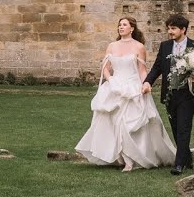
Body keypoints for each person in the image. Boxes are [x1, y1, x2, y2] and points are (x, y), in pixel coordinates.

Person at [75, 17, 177, 171]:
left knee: (128, 123)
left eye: (124, 25)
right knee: (113, 122)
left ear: (132, 28)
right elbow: (105, 68)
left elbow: (142, 70)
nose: (121, 27)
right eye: (119, 25)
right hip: (115, 86)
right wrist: (111, 80)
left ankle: (130, 160)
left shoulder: (139, 47)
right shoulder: (111, 46)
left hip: (132, 87)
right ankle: (119, 156)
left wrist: (145, 85)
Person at [142, 14, 194, 175]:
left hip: (188, 95)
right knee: (175, 127)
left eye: (173, 28)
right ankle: (186, 157)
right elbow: (157, 67)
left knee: (183, 128)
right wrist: (147, 82)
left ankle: (179, 164)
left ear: (183, 29)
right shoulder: (165, 46)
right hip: (169, 94)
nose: (170, 32)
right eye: (169, 28)